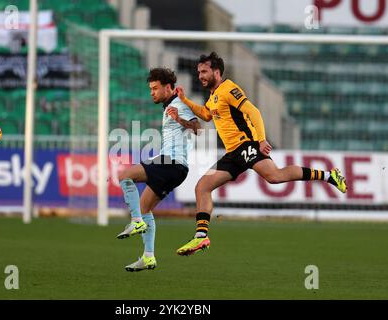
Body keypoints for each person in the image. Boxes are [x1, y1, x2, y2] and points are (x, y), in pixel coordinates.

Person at [170, 52, 347, 256]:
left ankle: (329, 176)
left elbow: (253, 111)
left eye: (204, 71)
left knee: (275, 176)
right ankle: (201, 238)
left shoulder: (229, 89)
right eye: (198, 72)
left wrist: (261, 139)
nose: (200, 75)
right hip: (232, 154)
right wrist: (184, 100)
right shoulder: (214, 95)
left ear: (216, 72)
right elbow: (207, 115)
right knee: (202, 186)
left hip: (247, 146)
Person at [116, 67, 200, 271]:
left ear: (168, 87)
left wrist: (180, 119)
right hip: (177, 168)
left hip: (170, 161)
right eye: (150, 89)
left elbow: (198, 129)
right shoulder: (169, 105)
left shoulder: (180, 103)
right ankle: (148, 256)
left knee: (125, 175)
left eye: (155, 88)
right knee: (145, 207)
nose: (151, 92)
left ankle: (135, 221)